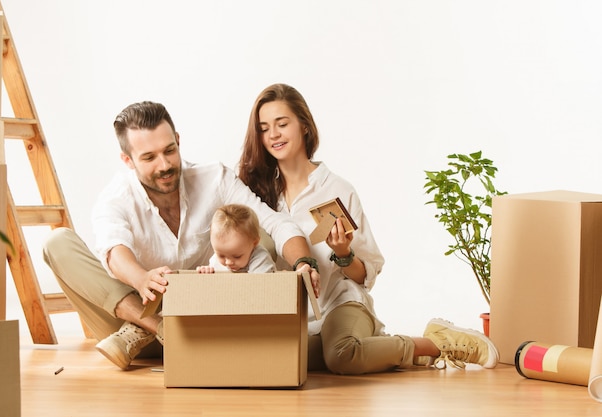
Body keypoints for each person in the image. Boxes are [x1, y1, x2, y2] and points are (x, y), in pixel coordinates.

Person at [237, 83, 499, 374]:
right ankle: (374, 348)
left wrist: (344, 253)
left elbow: (365, 275)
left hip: (341, 303)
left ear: (304, 126)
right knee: (281, 358)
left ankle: (437, 342)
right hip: (297, 317)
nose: (273, 134)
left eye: (282, 124)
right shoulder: (259, 198)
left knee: (340, 357)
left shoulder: (336, 190)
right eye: (263, 128)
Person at [42, 101, 320, 370]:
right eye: (149, 158)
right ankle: (159, 328)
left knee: (254, 231)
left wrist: (304, 263)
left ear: (177, 139)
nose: (164, 165)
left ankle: (189, 335)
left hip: (206, 326)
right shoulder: (115, 198)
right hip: (134, 327)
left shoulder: (214, 179)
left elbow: (274, 223)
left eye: (169, 150)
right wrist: (141, 279)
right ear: (127, 160)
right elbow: (114, 251)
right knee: (57, 244)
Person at [196, 204, 276, 273]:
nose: (228, 262)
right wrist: (207, 272)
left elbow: (260, 284)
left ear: (254, 243)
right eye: (221, 256)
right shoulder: (217, 259)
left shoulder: (260, 258)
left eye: (237, 256)